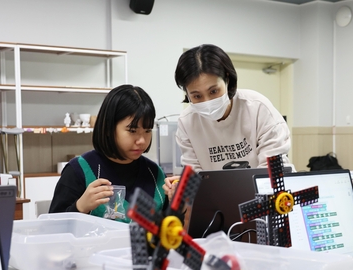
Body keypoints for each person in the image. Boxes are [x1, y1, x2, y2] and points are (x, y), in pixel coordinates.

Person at [163, 44, 293, 198]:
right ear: (187, 93)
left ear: (227, 79)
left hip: (267, 200)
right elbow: (196, 177)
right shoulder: (187, 123)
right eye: (197, 96)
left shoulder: (258, 108)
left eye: (213, 91)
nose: (208, 102)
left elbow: (271, 172)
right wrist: (183, 190)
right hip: (220, 203)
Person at [49, 84, 167, 222]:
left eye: (147, 131)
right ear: (108, 128)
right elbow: (52, 227)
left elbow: (172, 232)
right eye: (132, 131)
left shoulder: (155, 174)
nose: (141, 140)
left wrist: (179, 206)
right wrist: (80, 207)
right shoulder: (79, 170)